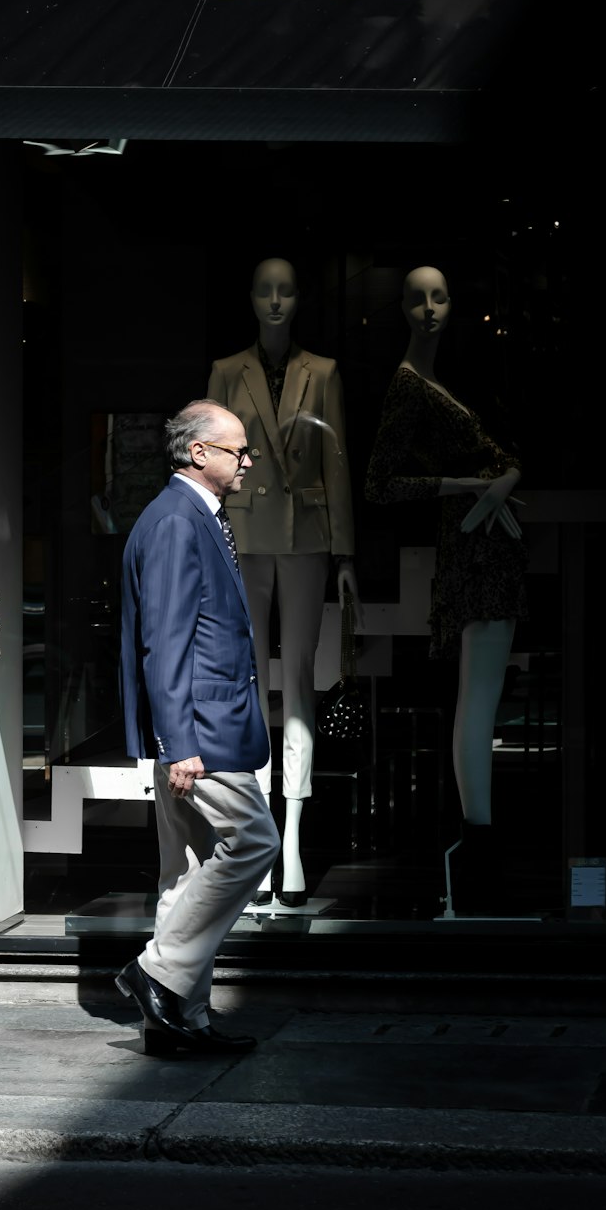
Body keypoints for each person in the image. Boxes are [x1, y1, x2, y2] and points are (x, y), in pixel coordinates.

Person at [116, 399, 280, 1054]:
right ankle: (156, 972)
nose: (248, 459)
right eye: (238, 449)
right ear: (198, 454)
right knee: (255, 841)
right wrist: (179, 744)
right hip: (200, 734)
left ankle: (178, 1024)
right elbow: (165, 640)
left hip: (200, 727)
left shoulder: (191, 516)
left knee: (183, 875)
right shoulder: (175, 523)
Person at [364, 265, 528, 913]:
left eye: (438, 297)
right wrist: (463, 488)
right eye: (417, 299)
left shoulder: (448, 378)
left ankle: (479, 849)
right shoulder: (408, 387)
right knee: (478, 696)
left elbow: (506, 453)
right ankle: (477, 847)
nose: (429, 309)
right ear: (402, 309)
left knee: (482, 693)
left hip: (493, 540)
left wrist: (504, 479)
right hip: (471, 545)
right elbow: (382, 483)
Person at [207, 257, 358, 907]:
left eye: (286, 290)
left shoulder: (322, 372)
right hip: (242, 537)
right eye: (265, 289)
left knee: (296, 681)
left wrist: (346, 552)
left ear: (299, 298)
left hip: (305, 538)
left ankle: (291, 835)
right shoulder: (226, 370)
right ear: (250, 297)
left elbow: (338, 459)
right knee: (247, 681)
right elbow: (210, 460)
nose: (275, 301)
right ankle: (258, 835)